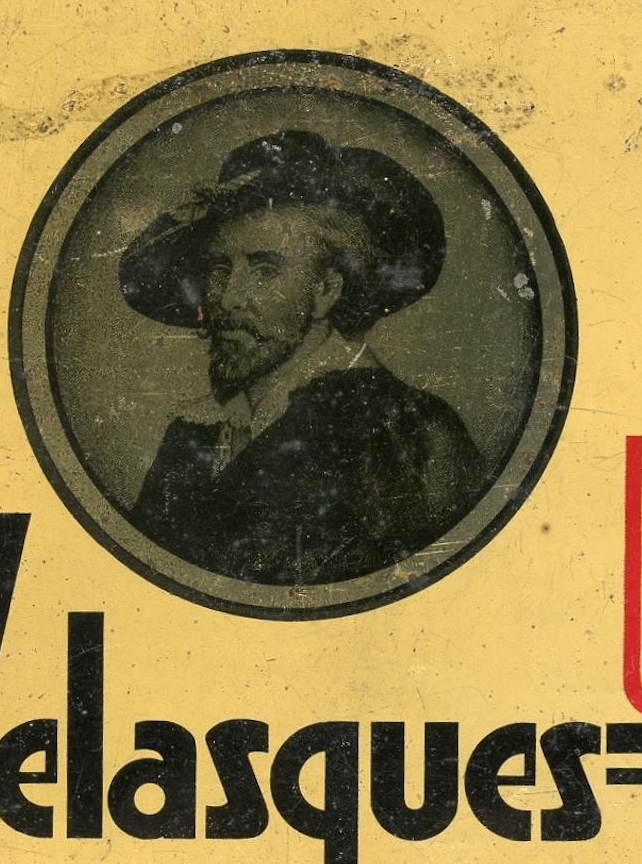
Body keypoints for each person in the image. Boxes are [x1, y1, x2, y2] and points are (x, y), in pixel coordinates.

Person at [117, 129, 486, 586]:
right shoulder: (191, 436)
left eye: (264, 271)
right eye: (218, 270)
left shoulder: (408, 429)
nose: (228, 298)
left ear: (326, 291)